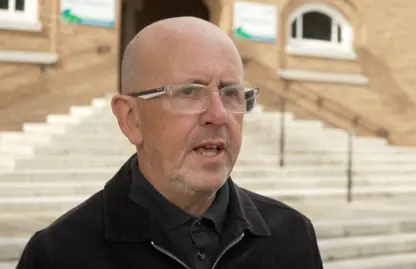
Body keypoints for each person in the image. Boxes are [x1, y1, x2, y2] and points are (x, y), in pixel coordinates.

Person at [15, 17, 323, 269]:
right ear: (131, 119)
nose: (218, 115)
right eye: (189, 92)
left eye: (231, 93)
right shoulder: (58, 256)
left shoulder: (292, 237)